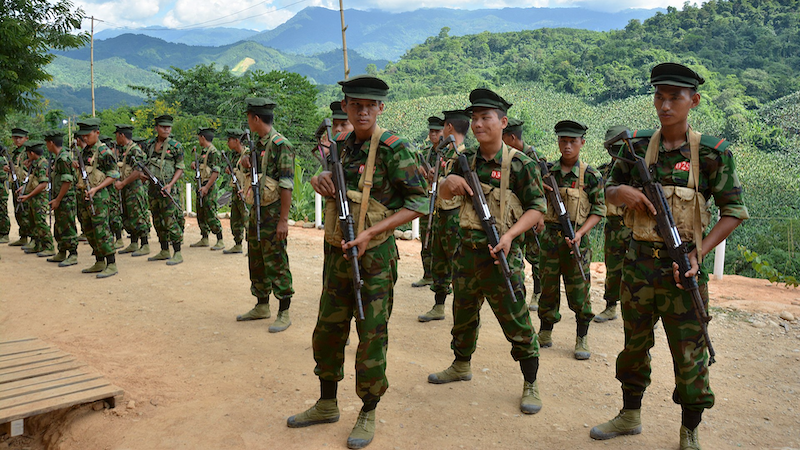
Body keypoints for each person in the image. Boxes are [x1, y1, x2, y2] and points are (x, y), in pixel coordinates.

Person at [590, 63, 749, 450]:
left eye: (674, 97)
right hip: (639, 264)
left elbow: (734, 212)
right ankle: (630, 414)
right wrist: (621, 194)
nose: (665, 104)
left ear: (692, 101)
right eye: (659, 96)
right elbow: (608, 188)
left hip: (683, 271)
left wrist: (700, 252)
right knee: (634, 344)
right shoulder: (638, 146)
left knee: (691, 354)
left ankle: (689, 429)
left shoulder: (712, 153)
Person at [287, 75, 428, 449]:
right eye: (355, 105)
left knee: (371, 335)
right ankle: (327, 402)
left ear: (381, 108)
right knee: (328, 328)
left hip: (375, 257)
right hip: (337, 251)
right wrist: (319, 178)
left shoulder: (395, 149)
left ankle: (368, 408)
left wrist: (370, 233)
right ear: (346, 107)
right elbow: (331, 181)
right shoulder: (341, 147)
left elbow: (419, 203)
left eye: (370, 105)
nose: (362, 111)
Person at [427, 88, 547, 415]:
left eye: (486, 118)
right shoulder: (462, 161)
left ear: (502, 122)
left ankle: (530, 382)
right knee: (463, 314)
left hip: (501, 256)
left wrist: (509, 236)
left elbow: (538, 208)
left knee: (516, 320)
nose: (478, 124)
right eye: (475, 118)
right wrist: (448, 184)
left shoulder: (520, 164)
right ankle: (461, 364)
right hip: (466, 253)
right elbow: (443, 194)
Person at [537, 120, 606, 360]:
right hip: (549, 239)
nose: (567, 146)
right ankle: (545, 332)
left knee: (579, 290)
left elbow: (599, 210)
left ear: (582, 143)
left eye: (572, 142)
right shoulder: (547, 173)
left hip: (577, 240)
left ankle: (581, 337)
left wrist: (580, 233)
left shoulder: (590, 175)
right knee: (547, 287)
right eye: (563, 141)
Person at [235, 98, 295, 333]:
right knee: (257, 258)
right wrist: (247, 162)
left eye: (249, 117)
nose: (248, 122)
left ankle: (284, 310)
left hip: (272, 212)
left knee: (276, 259)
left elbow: (286, 184)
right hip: (257, 211)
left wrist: (283, 220)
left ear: (256, 119)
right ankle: (261, 304)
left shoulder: (281, 145)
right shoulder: (257, 144)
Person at [418, 109, 469, 322]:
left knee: (456, 262)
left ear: (448, 127)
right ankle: (439, 305)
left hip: (456, 216)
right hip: (440, 212)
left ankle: (463, 308)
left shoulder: (465, 157)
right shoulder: (445, 154)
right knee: (439, 260)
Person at [502, 117, 544, 312]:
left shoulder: (533, 158)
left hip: (533, 215)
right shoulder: (506, 157)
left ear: (511, 138)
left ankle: (538, 292)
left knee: (536, 256)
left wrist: (540, 217)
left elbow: (543, 192)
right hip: (515, 215)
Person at [594, 126, 632, 323]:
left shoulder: (637, 170)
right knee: (613, 267)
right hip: (614, 225)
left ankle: (640, 312)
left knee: (637, 270)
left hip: (634, 227)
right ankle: (611, 306)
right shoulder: (603, 171)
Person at [74, 118, 120, 278]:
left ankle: (111, 263)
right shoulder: (86, 151)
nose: (84, 138)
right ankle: (99, 260)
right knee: (89, 229)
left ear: (97, 133)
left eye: (87, 135)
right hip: (85, 194)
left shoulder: (104, 151)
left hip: (99, 196)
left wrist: (96, 189)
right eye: (83, 136)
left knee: (101, 229)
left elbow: (114, 174)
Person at [141, 114, 185, 266]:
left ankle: (177, 251)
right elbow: (145, 164)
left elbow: (180, 168)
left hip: (168, 189)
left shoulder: (176, 146)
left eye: (168, 127)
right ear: (156, 128)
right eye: (163, 127)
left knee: (170, 220)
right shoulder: (149, 144)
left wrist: (171, 184)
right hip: (153, 189)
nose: (166, 129)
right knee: (157, 220)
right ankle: (164, 249)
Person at [411, 115, 444, 288]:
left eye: (437, 131)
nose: (433, 134)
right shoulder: (427, 152)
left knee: (442, 242)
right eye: (431, 131)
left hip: (443, 203)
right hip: (428, 199)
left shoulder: (448, 153)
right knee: (426, 236)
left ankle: (444, 279)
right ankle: (428, 273)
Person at [114, 124, 152, 257]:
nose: (116, 138)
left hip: (134, 188)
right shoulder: (126, 149)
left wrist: (123, 183)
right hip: (127, 188)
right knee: (129, 216)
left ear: (121, 135)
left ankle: (145, 244)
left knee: (137, 215)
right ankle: (134, 242)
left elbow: (138, 171)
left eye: (117, 135)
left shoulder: (135, 150)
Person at [44, 130, 79, 266]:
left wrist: (58, 199)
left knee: (68, 226)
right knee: (59, 225)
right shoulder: (59, 157)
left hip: (66, 198)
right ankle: (62, 251)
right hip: (60, 197)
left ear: (51, 143)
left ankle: (73, 253)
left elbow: (67, 181)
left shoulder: (63, 158)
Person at [16, 141, 55, 257]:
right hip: (34, 197)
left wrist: (28, 195)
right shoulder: (35, 163)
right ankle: (38, 244)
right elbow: (34, 180)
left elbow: (43, 184)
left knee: (41, 222)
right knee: (34, 222)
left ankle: (49, 247)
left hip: (40, 198)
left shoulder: (42, 164)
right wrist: (24, 188)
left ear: (32, 153)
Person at [190, 127, 225, 250]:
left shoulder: (214, 152)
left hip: (208, 187)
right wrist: (195, 165)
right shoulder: (203, 152)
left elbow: (216, 172)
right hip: (201, 186)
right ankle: (204, 237)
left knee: (210, 212)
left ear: (203, 138)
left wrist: (206, 187)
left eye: (199, 137)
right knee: (201, 212)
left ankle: (219, 239)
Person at [222, 128, 249, 254]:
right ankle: (238, 244)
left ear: (237, 140)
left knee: (248, 219)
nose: (228, 143)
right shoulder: (234, 156)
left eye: (229, 140)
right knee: (235, 219)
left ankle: (252, 247)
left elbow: (252, 173)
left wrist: (246, 189)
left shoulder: (247, 154)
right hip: (235, 190)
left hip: (245, 192)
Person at [5, 128, 31, 247]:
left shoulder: (28, 152)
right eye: (15, 138)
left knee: (26, 211)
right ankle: (23, 236)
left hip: (25, 185)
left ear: (26, 138)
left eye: (20, 138)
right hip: (16, 184)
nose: (17, 140)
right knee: (18, 211)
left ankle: (32, 237)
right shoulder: (16, 152)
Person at [103, 134, 125, 250]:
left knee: (114, 214)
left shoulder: (109, 156)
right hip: (107, 190)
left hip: (112, 190)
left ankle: (119, 238)